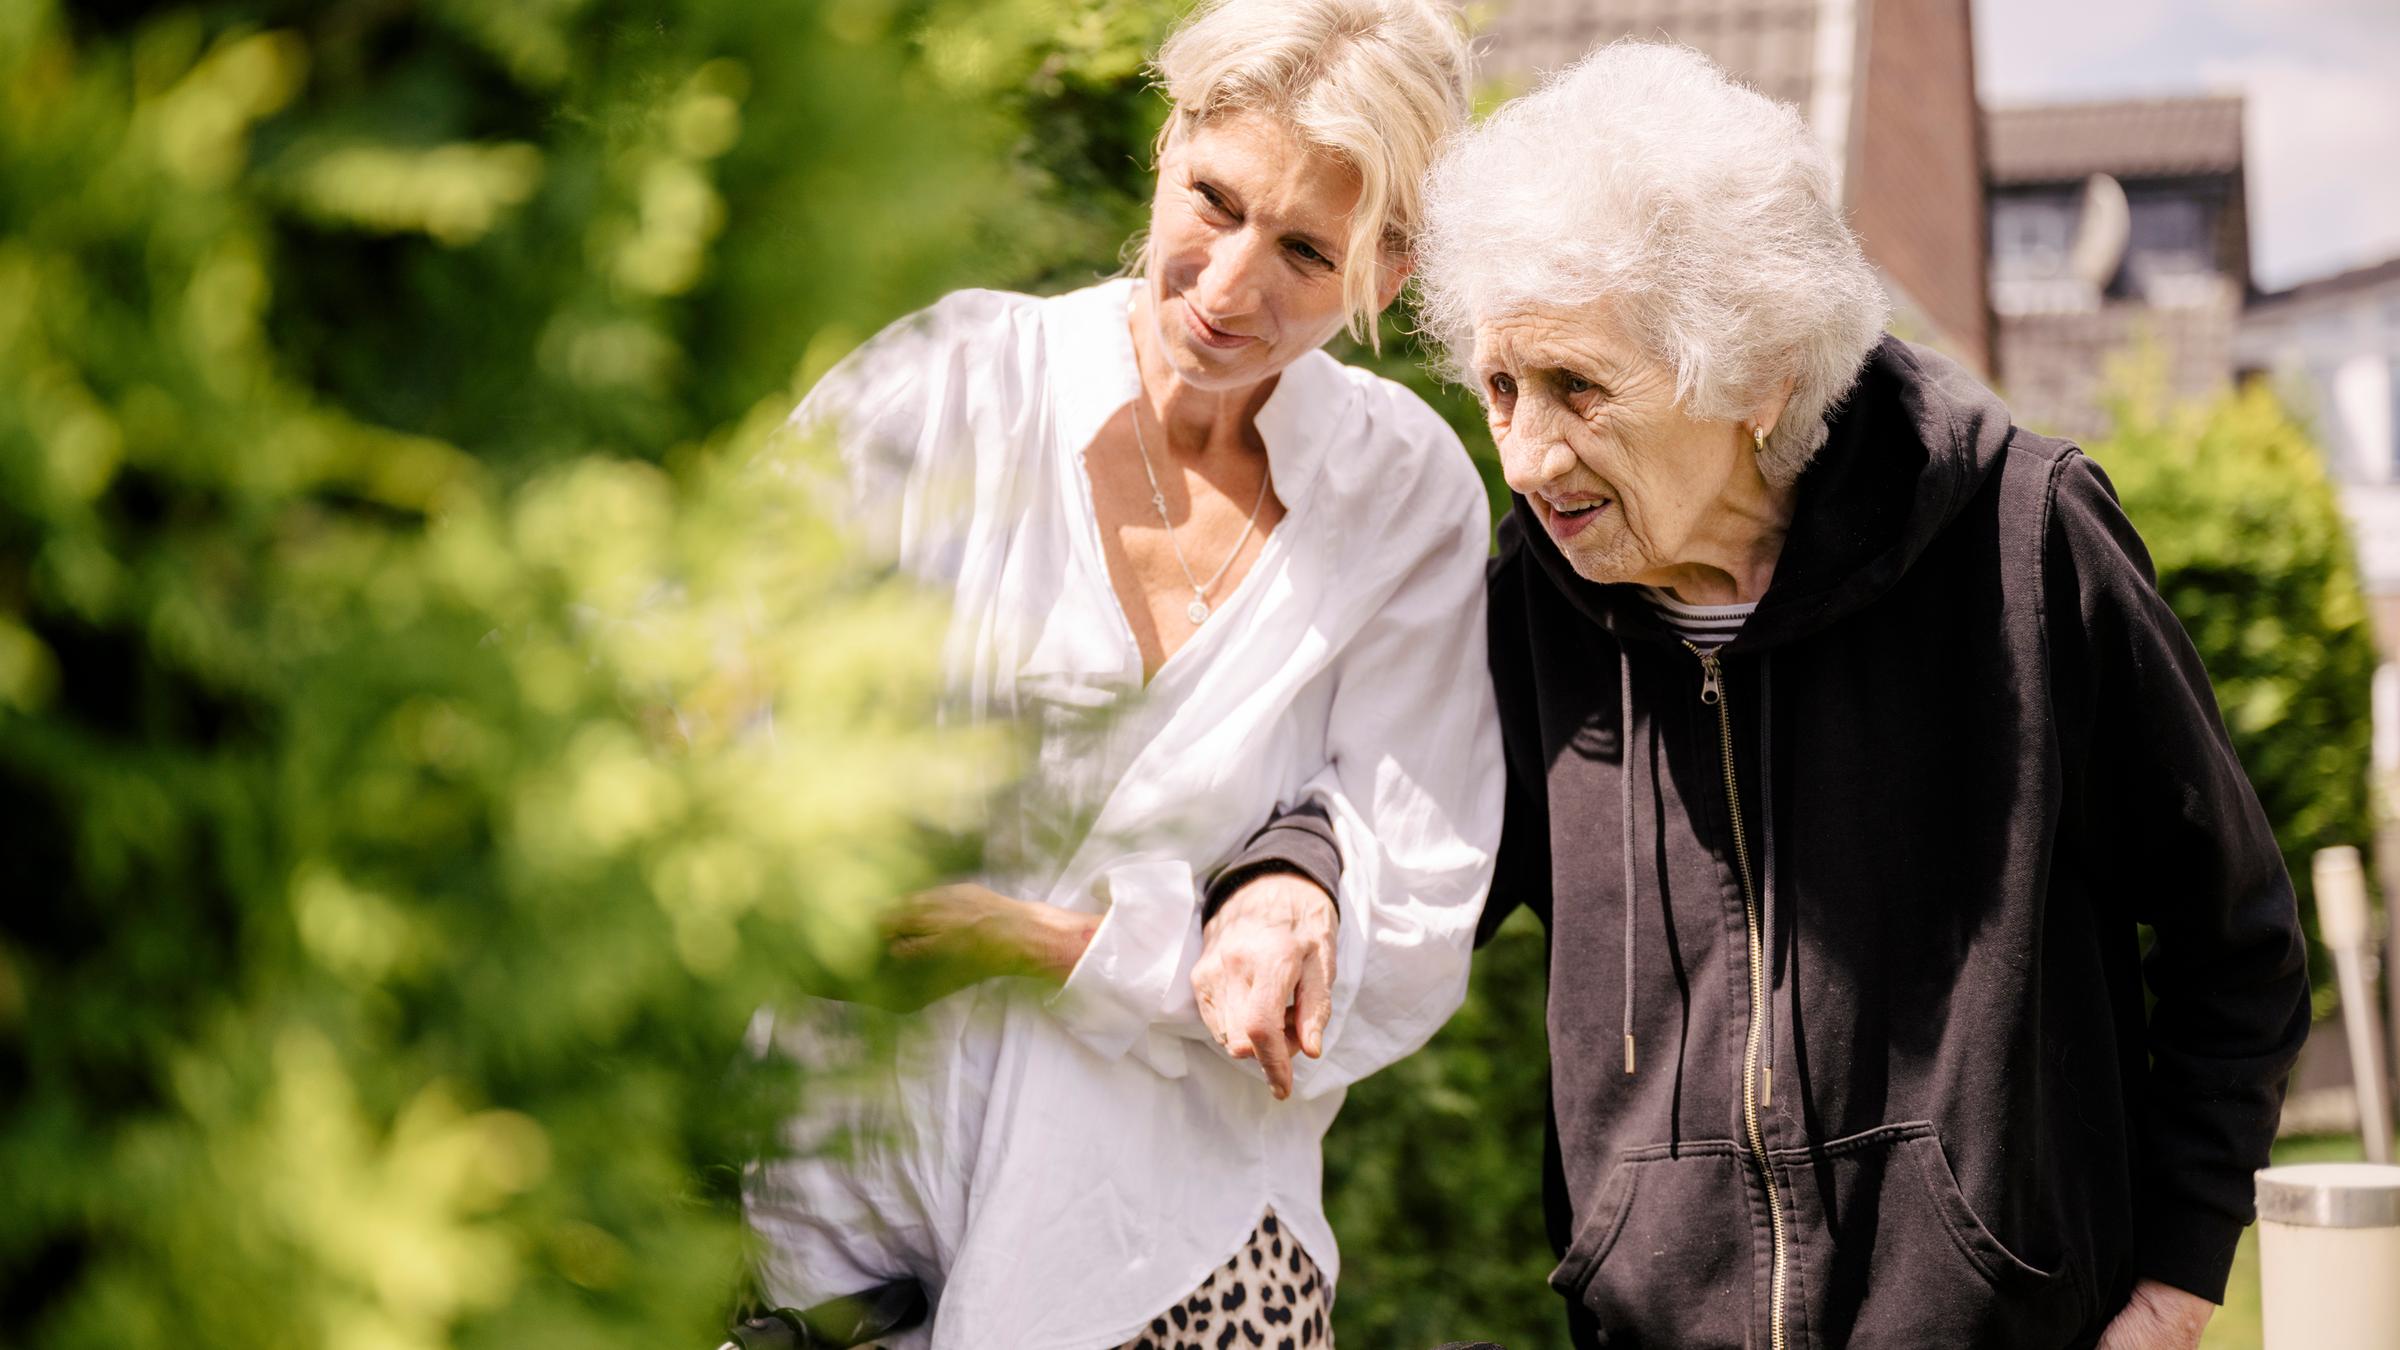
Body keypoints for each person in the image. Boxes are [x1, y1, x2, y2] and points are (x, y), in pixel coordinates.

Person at [1416, 42, 2311, 1350]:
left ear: (1759, 373)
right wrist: (1288, 872)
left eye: (1579, 388)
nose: (1529, 451)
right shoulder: (1532, 601)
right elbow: (1408, 878)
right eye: (1501, 385)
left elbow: (2236, 939)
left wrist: (2175, 1284)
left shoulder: (2027, 540)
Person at [743, 3, 1501, 1346]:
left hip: (1181, 1267)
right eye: (1214, 200)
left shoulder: (1407, 500)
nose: (1228, 286)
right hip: (835, 1252)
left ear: (1386, 273)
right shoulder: (948, 384)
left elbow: (1417, 919)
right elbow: (710, 681)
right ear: (1167, 148)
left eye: (1307, 251)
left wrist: (1063, 945)